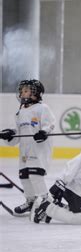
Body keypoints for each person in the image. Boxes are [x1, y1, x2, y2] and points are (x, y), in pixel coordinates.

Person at [0, 79, 55, 215]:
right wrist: (9, 136)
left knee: (35, 175)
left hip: (38, 149)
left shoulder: (42, 108)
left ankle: (44, 202)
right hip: (24, 151)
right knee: (24, 176)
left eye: (26, 90)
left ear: (36, 93)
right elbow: (17, 135)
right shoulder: (19, 113)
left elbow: (50, 124)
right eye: (21, 91)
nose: (22, 93)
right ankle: (30, 201)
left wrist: (44, 132)